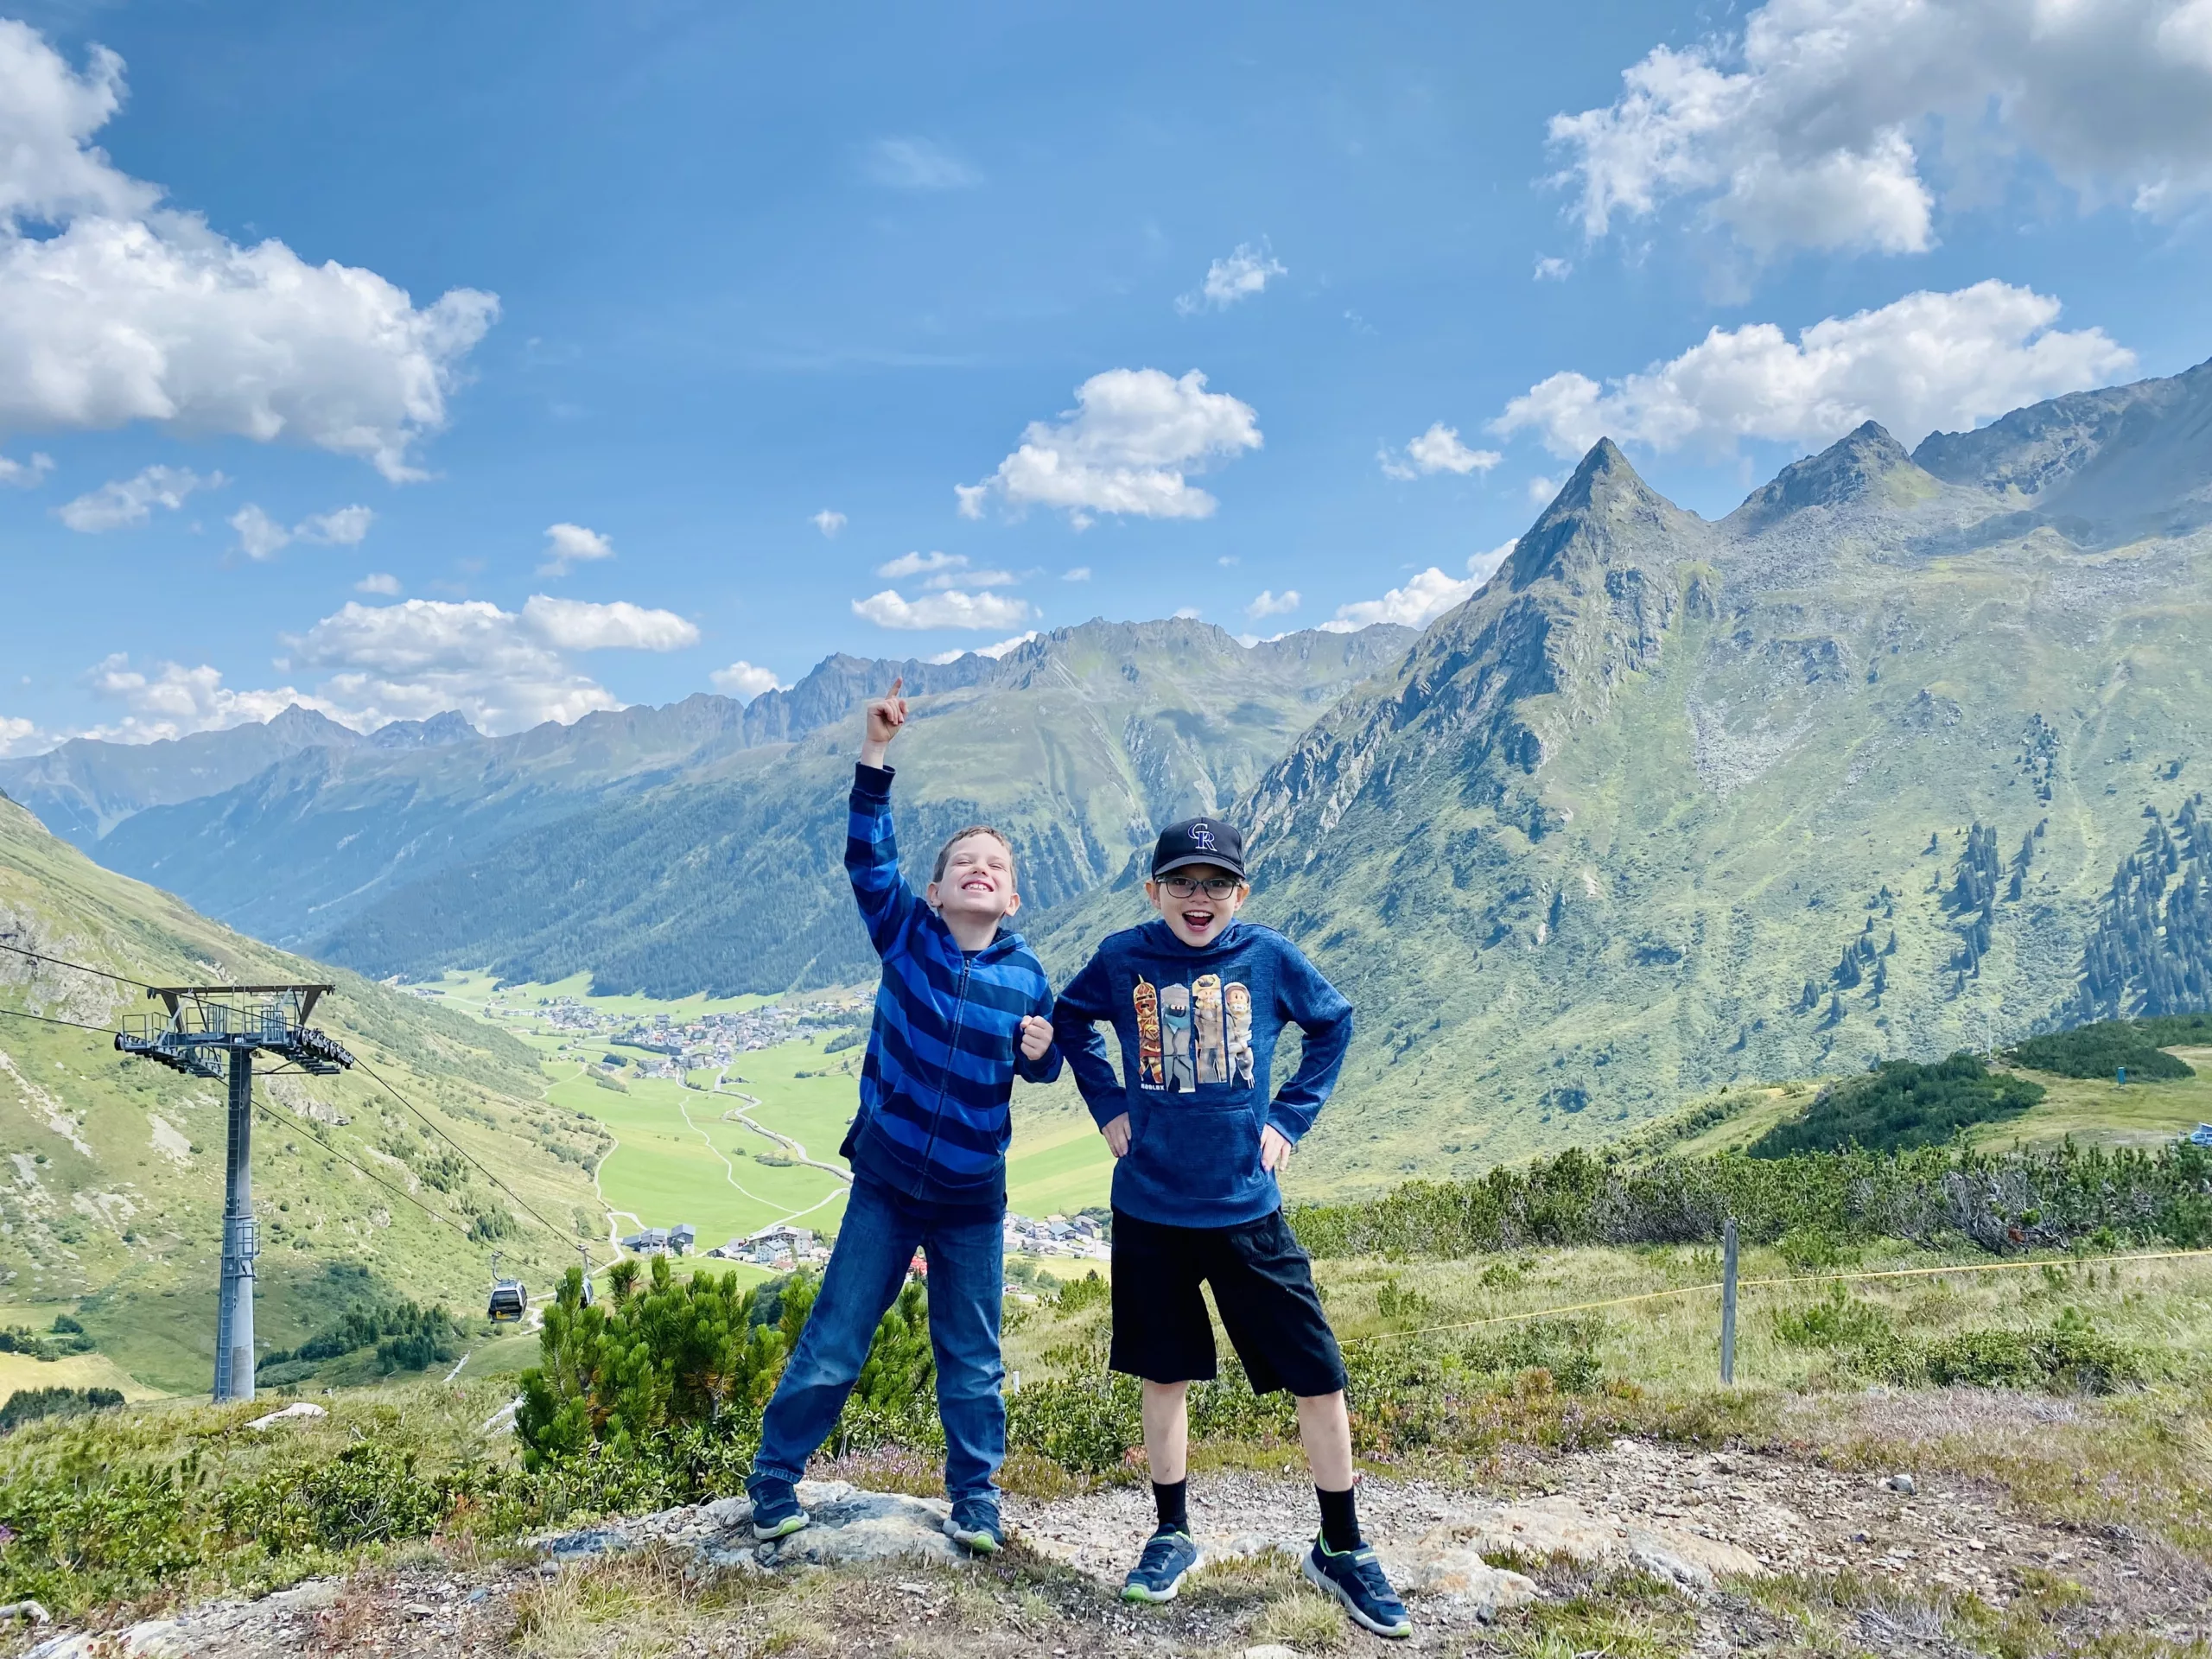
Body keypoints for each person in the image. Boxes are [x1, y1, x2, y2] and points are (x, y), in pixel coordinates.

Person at [1051, 816, 1411, 1638]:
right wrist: (1107, 1106)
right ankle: (1172, 1534)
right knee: (1163, 1376)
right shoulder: (1121, 957)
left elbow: (1334, 1023)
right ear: (1154, 891)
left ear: (1240, 893)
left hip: (1249, 1210)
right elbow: (1070, 1022)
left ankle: (1344, 1547)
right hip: (1149, 1209)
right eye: (1181, 881)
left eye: (1216, 883)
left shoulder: (1269, 957)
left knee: (1319, 1377)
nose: (1198, 897)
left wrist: (1290, 1118)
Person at [744, 677, 1060, 1555]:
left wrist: (1043, 1053)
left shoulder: (1028, 977)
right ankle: (774, 1482)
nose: (981, 871)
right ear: (932, 893)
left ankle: (977, 1499)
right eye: (964, 863)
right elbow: (867, 858)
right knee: (835, 1342)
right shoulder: (905, 936)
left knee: (971, 1360)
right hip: (885, 1183)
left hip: (969, 1199)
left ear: (1012, 902)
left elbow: (1046, 1064)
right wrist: (875, 752)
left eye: (996, 868)